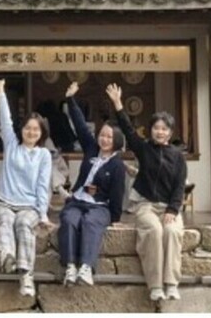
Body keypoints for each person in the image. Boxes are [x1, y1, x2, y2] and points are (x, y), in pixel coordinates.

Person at [106, 83, 187, 302]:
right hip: (146, 205)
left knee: (172, 232)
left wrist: (173, 210)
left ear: (170, 133)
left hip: (168, 207)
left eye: (164, 129)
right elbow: (128, 130)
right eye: (156, 128)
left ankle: (171, 284)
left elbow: (179, 186)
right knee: (154, 230)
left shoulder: (178, 157)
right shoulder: (143, 149)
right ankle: (155, 285)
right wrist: (118, 104)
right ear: (151, 130)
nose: (160, 132)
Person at [58, 81, 125, 287]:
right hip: (78, 200)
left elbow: (117, 194)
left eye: (109, 137)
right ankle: (70, 266)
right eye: (102, 135)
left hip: (100, 206)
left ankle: (86, 268)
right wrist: (71, 99)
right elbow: (79, 124)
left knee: (90, 222)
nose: (104, 139)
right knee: (69, 219)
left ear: (117, 140)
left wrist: (115, 217)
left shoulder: (117, 165)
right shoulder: (91, 148)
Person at [0, 78, 53, 298]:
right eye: (28, 128)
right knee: (5, 219)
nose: (31, 132)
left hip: (29, 206)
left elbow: (43, 186)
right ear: (22, 129)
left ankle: (26, 276)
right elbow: (5, 120)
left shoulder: (44, 155)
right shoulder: (11, 145)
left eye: (36, 129)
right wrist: (1, 91)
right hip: (4, 202)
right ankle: (8, 257)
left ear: (41, 132)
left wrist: (43, 214)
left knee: (24, 223)